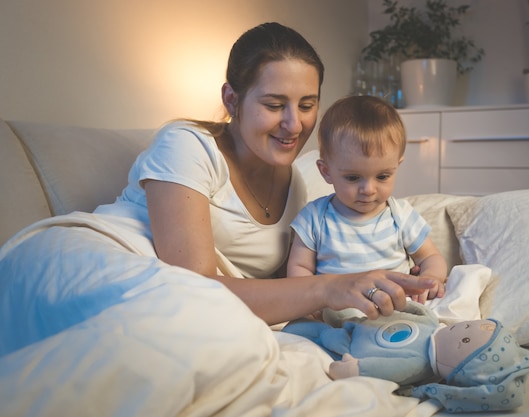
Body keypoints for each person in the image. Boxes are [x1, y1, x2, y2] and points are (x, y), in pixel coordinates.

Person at [0, 22, 435, 329]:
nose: (293, 124)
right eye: (273, 104)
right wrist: (329, 290)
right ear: (232, 98)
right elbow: (194, 284)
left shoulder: (296, 183)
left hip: (193, 301)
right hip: (95, 265)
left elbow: (286, 283)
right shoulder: (186, 144)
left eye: (306, 104)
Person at [287, 95, 447, 306]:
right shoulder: (314, 217)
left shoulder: (401, 215)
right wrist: (310, 302)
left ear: (396, 167)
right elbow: (299, 269)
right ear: (326, 172)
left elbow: (430, 258)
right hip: (335, 311)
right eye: (353, 178)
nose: (368, 190)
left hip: (393, 309)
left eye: (382, 177)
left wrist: (432, 279)